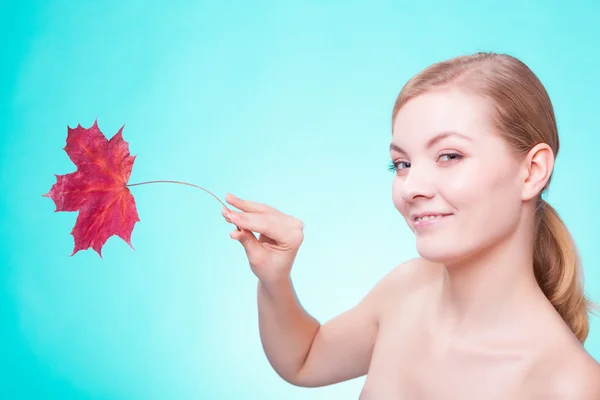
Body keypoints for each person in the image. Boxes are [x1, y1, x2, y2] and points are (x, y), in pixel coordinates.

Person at [221, 52, 600, 399]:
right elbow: (305, 358)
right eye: (401, 164)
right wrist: (274, 279)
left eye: (449, 156)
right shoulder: (407, 289)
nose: (412, 188)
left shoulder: (571, 385)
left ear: (532, 171)